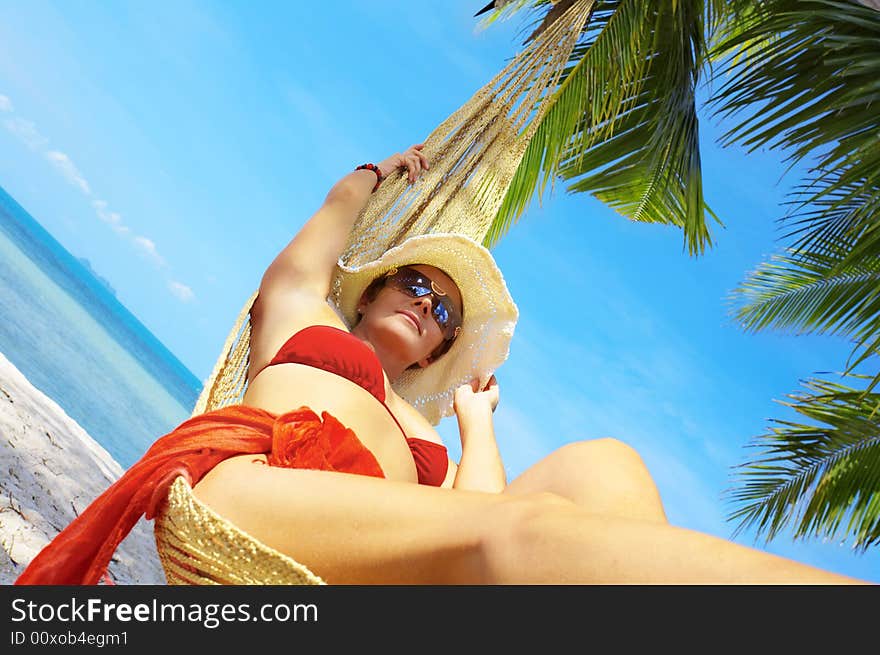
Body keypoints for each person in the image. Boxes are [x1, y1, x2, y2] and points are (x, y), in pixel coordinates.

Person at [16, 143, 871, 585]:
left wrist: (474, 424)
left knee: (608, 468)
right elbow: (492, 540)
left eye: (444, 313)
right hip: (259, 494)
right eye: (418, 282)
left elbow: (475, 519)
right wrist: (373, 173)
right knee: (516, 539)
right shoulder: (303, 310)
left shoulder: (426, 426)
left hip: (373, 562)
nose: (427, 302)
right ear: (376, 285)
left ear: (436, 350)